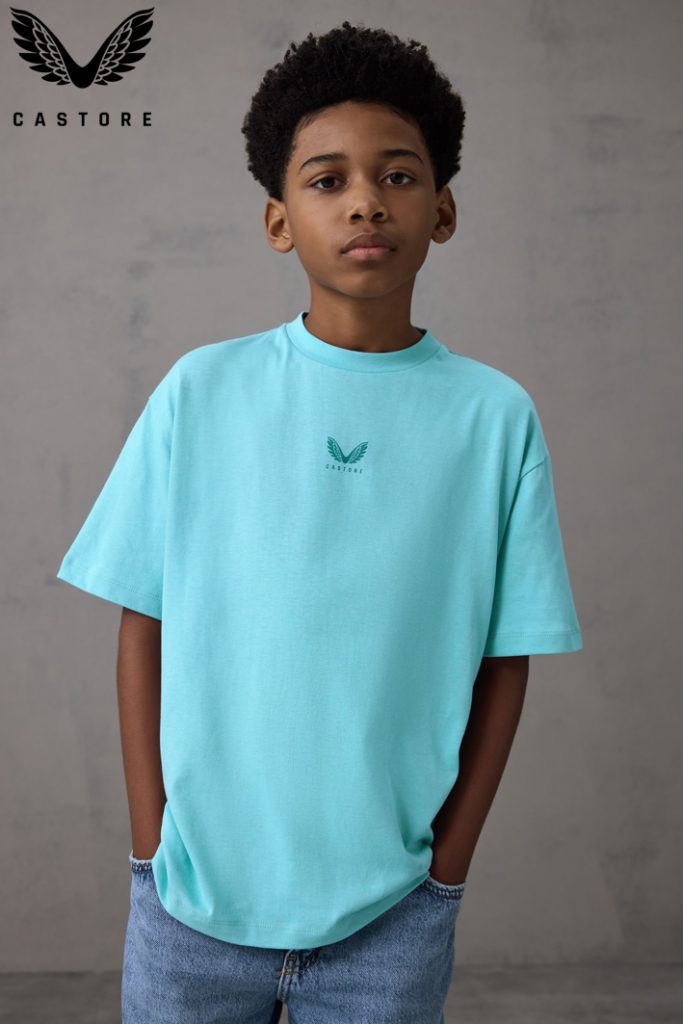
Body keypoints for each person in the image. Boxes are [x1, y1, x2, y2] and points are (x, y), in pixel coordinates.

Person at [56, 20, 583, 1024]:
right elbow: (143, 620)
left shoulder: (492, 417)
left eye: (396, 176)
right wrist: (150, 843)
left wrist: (446, 869)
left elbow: (504, 657)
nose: (364, 202)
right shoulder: (200, 391)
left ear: (442, 210)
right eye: (327, 180)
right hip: (189, 899)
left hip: (392, 910)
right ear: (278, 220)